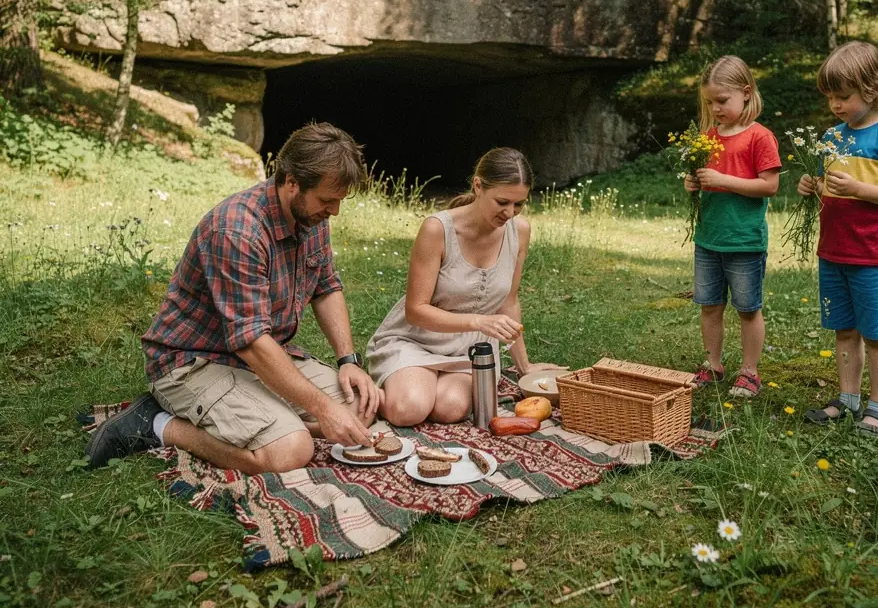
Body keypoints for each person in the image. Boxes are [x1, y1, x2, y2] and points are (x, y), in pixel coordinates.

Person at [85, 123, 382, 473]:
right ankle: (156, 424)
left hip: (260, 357)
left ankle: (273, 418)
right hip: (194, 362)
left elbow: (326, 287)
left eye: (339, 201)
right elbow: (252, 343)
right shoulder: (237, 231)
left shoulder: (312, 216)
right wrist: (321, 408)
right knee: (291, 450)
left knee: (362, 407)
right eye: (327, 200)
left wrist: (348, 359)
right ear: (291, 182)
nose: (334, 212)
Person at [366, 148, 561, 427]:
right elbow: (415, 311)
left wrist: (525, 367)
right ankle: (366, 395)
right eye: (502, 202)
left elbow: (509, 301)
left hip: (472, 350)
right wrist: (479, 321)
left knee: (451, 410)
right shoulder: (437, 229)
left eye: (519, 204)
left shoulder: (519, 231)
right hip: (416, 340)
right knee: (409, 409)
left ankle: (425, 385)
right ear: (478, 186)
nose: (510, 213)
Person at [798, 41, 878, 438]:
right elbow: (831, 188)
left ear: (873, 88)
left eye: (843, 96)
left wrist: (859, 189)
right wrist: (812, 185)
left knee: (876, 333)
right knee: (844, 330)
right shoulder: (833, 136)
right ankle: (848, 399)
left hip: (872, 255)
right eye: (830, 96)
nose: (835, 104)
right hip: (834, 251)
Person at [683, 55, 781, 399]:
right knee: (709, 305)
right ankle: (713, 364)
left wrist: (723, 179)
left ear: (746, 92)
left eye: (722, 101)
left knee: (747, 308)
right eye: (710, 102)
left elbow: (769, 186)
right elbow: (699, 178)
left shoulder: (760, 137)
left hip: (744, 241)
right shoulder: (707, 137)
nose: (716, 108)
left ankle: (749, 371)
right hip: (709, 238)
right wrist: (692, 182)